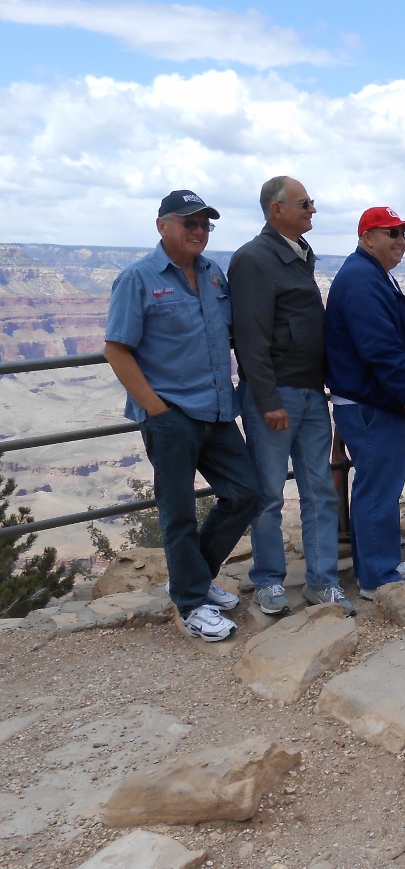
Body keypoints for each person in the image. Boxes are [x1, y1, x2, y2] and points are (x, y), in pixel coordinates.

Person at [103, 190, 260, 641]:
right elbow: (116, 349)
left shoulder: (213, 275)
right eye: (189, 222)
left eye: (205, 224)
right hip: (171, 416)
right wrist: (157, 409)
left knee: (244, 493)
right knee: (178, 511)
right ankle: (191, 605)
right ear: (162, 226)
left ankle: (192, 578)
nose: (199, 231)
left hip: (216, 409)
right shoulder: (138, 278)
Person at [229, 176, 352, 617]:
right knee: (269, 494)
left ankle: (322, 581)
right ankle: (268, 581)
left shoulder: (298, 254)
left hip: (310, 393)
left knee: (320, 489)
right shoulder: (253, 259)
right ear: (276, 208)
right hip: (276, 395)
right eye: (305, 203)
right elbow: (250, 338)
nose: (313, 209)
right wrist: (267, 401)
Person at [325, 207, 405, 597]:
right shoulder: (363, 279)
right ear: (367, 237)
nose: (400, 241)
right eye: (391, 233)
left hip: (374, 402)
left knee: (381, 485)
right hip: (371, 405)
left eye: (403, 234)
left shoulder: (371, 274)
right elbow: (380, 349)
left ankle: (380, 562)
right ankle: (378, 578)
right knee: (377, 488)